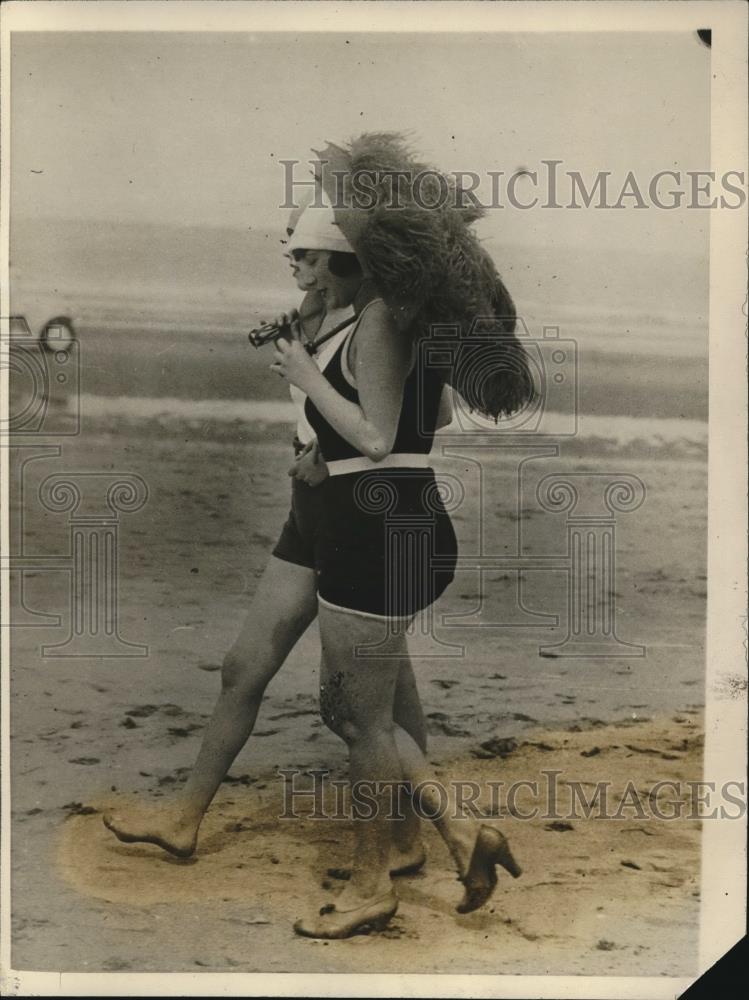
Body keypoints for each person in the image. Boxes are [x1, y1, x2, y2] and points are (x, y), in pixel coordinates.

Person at [102, 192, 431, 879]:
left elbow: (411, 421)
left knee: (376, 702)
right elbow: (339, 412)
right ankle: (185, 819)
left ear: (340, 257)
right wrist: (317, 439)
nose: (291, 262)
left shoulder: (382, 323)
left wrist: (328, 434)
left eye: (303, 252)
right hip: (311, 510)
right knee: (244, 667)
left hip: (359, 518)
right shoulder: (320, 317)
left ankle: (410, 839)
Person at [266, 133, 534, 939]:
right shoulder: (395, 319)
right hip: (399, 524)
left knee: (352, 715)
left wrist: (309, 379)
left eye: (319, 261)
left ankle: (371, 886)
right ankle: (461, 835)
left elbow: (379, 438)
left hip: (375, 532)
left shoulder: (378, 323)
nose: (307, 274)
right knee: (365, 714)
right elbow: (436, 415)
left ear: (353, 262)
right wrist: (328, 441)